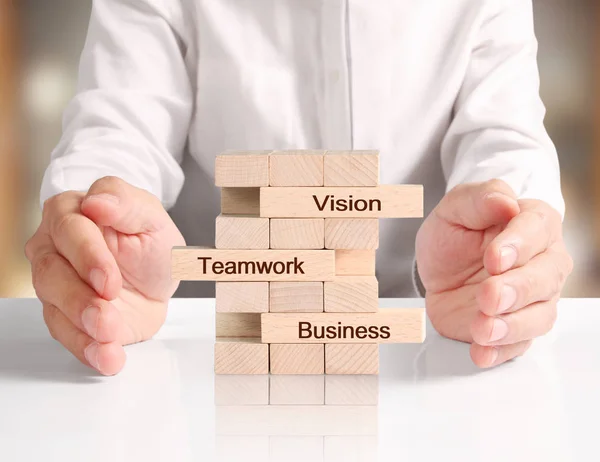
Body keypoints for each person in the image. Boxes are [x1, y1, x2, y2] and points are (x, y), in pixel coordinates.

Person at [26, 0, 573, 376]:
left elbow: (503, 135)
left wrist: (507, 239)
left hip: (422, 341)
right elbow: (120, 126)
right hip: (202, 340)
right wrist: (98, 228)